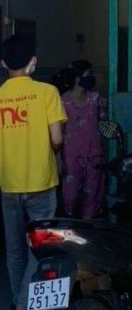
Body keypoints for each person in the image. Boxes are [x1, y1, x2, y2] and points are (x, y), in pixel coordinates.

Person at [0, 35, 67, 310]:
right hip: (42, 181)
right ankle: (26, 304)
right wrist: (42, 153)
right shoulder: (48, 93)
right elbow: (56, 139)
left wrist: (6, 155)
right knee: (43, 246)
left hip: (9, 184)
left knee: (14, 247)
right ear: (34, 61)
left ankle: (19, 300)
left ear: (3, 63)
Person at [59, 60, 107, 219]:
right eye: (89, 74)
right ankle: (72, 228)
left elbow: (103, 123)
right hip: (71, 155)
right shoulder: (62, 101)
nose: (92, 77)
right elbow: (58, 130)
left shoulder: (96, 98)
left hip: (94, 153)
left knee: (93, 195)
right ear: (78, 78)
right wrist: (58, 157)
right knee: (70, 195)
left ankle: (89, 230)